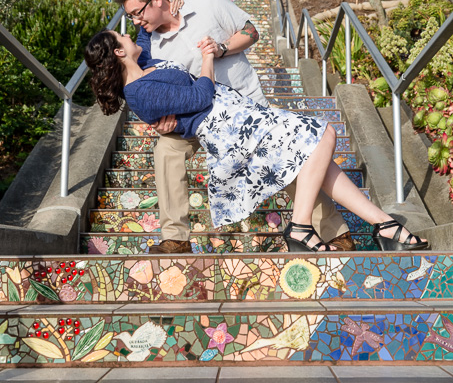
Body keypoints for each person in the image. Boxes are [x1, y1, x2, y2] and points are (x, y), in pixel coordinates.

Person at [84, 29, 429, 253]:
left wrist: (162, 8)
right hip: (229, 128)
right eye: (122, 35)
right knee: (323, 134)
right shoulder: (139, 91)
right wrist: (207, 59)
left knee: (313, 154)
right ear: (116, 52)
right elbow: (201, 98)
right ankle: (301, 227)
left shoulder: (146, 65)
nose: (131, 33)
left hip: (239, 114)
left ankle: (384, 226)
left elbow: (143, 38)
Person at [113, 0, 355, 253]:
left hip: (246, 105)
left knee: (286, 154)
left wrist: (222, 48)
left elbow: (252, 31)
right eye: (131, 16)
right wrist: (159, 120)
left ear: (156, 0)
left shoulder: (206, 3)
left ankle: (334, 232)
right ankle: (175, 239)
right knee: (166, 150)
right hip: (196, 118)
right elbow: (143, 84)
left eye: (137, 13)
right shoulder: (147, 42)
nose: (135, 21)